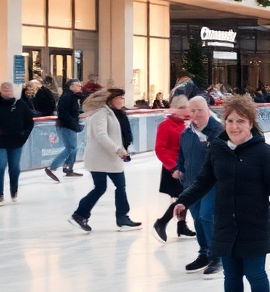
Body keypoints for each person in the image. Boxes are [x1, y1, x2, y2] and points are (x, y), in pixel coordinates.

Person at [176, 96, 270, 292]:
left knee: (255, 274)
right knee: (231, 275)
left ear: (250, 123)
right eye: (230, 120)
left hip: (255, 223)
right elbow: (203, 181)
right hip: (225, 223)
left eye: (241, 121)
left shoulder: (263, 151)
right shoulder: (217, 149)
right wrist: (183, 200)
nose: (234, 126)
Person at [69, 89, 142, 233]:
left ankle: (81, 214)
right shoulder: (102, 113)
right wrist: (117, 150)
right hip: (102, 158)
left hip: (107, 158)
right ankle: (121, 217)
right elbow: (101, 135)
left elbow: (115, 135)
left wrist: (121, 149)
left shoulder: (111, 113)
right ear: (111, 99)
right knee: (116, 186)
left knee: (103, 187)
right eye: (119, 97)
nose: (122, 100)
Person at [178, 96, 224, 276]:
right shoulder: (187, 133)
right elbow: (182, 155)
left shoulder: (218, 131)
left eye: (200, 110)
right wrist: (179, 169)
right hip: (191, 184)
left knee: (206, 216)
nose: (196, 114)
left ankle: (217, 255)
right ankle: (204, 253)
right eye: (192, 110)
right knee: (197, 218)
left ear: (207, 111)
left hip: (211, 184)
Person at [0, 82, 36, 205]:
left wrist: (24, 135)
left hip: (16, 142)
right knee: (0, 165)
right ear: (1, 91)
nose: (9, 93)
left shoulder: (20, 105)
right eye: (6, 91)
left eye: (10, 91)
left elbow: (29, 122)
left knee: (14, 167)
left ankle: (14, 190)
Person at [153, 95, 194, 243]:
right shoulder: (166, 125)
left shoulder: (187, 124)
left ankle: (181, 226)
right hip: (173, 168)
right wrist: (172, 167)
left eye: (186, 107)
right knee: (184, 197)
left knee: (184, 197)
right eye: (181, 108)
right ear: (174, 109)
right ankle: (161, 222)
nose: (185, 111)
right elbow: (160, 149)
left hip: (184, 166)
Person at [45, 79, 85, 181]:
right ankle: (52, 167)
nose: (80, 87)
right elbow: (63, 113)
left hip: (70, 125)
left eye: (80, 86)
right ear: (71, 86)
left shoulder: (73, 97)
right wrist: (72, 121)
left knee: (73, 148)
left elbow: (72, 111)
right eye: (78, 85)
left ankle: (68, 168)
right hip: (66, 126)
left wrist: (78, 115)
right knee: (71, 148)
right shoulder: (67, 97)